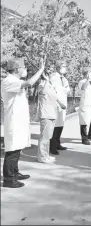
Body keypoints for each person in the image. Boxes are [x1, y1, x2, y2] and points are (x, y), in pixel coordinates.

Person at [1, 57, 45, 188]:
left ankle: (15, 173)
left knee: (17, 148)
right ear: (16, 69)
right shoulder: (8, 80)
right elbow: (29, 83)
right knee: (12, 151)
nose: (25, 70)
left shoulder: (15, 80)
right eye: (23, 67)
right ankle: (9, 179)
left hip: (19, 120)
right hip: (14, 121)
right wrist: (41, 70)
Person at [37, 66, 67, 163]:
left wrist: (61, 104)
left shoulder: (50, 85)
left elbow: (55, 96)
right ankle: (42, 156)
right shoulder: (42, 84)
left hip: (52, 113)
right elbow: (43, 92)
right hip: (45, 114)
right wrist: (46, 81)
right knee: (44, 137)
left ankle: (46, 155)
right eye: (48, 74)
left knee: (48, 136)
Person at [49, 60, 70, 155]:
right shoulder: (53, 77)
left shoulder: (64, 79)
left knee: (60, 125)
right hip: (56, 104)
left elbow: (67, 89)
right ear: (57, 67)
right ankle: (52, 147)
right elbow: (52, 92)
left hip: (63, 104)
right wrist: (60, 102)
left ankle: (57, 143)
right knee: (55, 126)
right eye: (63, 66)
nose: (65, 68)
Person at [78, 67, 91, 145]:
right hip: (85, 104)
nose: (90, 74)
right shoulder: (82, 82)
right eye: (89, 73)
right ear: (85, 74)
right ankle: (84, 139)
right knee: (84, 121)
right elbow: (83, 87)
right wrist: (87, 80)